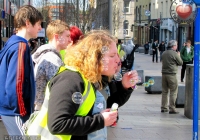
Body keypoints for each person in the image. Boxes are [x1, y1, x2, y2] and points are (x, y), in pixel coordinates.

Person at [27, 30, 138, 139]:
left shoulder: (92, 78)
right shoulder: (71, 79)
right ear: (95, 57)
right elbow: (57, 124)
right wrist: (100, 120)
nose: (118, 61)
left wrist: (125, 87)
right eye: (112, 55)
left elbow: (103, 106)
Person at [0, 5, 43, 136]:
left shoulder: (13, 43)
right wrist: (22, 111)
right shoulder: (20, 46)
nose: (40, 28)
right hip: (16, 112)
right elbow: (16, 83)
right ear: (28, 23)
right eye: (39, 24)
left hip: (11, 110)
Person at [32, 20, 71, 111]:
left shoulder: (48, 55)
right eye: (67, 36)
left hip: (43, 107)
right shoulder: (51, 59)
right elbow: (61, 87)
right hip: (46, 109)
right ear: (57, 37)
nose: (70, 40)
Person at [161, 40, 183, 114]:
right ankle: (172, 108)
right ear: (173, 46)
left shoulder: (164, 53)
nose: (176, 47)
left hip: (164, 74)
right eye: (176, 45)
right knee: (173, 92)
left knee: (164, 91)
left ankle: (164, 107)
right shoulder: (174, 53)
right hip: (172, 74)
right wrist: (179, 55)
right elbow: (180, 63)